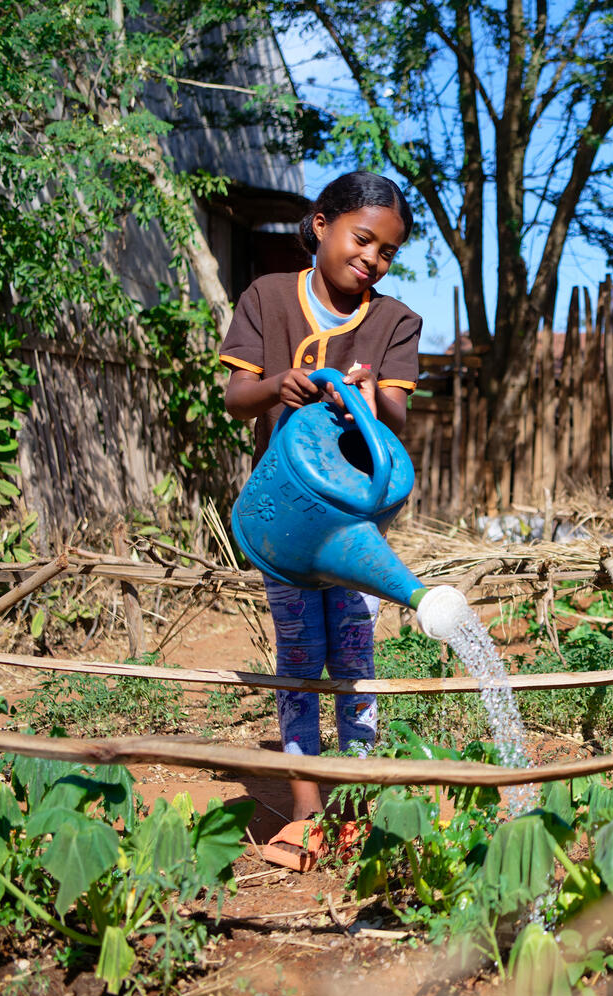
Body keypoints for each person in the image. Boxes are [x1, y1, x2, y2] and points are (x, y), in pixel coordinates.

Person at [219, 171, 421, 868]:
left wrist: (369, 394)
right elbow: (236, 397)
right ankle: (307, 818)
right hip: (289, 523)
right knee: (300, 658)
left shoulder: (394, 321)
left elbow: (398, 414)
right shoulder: (268, 298)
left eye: (387, 252)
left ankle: (353, 809)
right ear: (320, 225)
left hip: (356, 521)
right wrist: (280, 384)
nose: (372, 258)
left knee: (356, 659)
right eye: (362, 239)